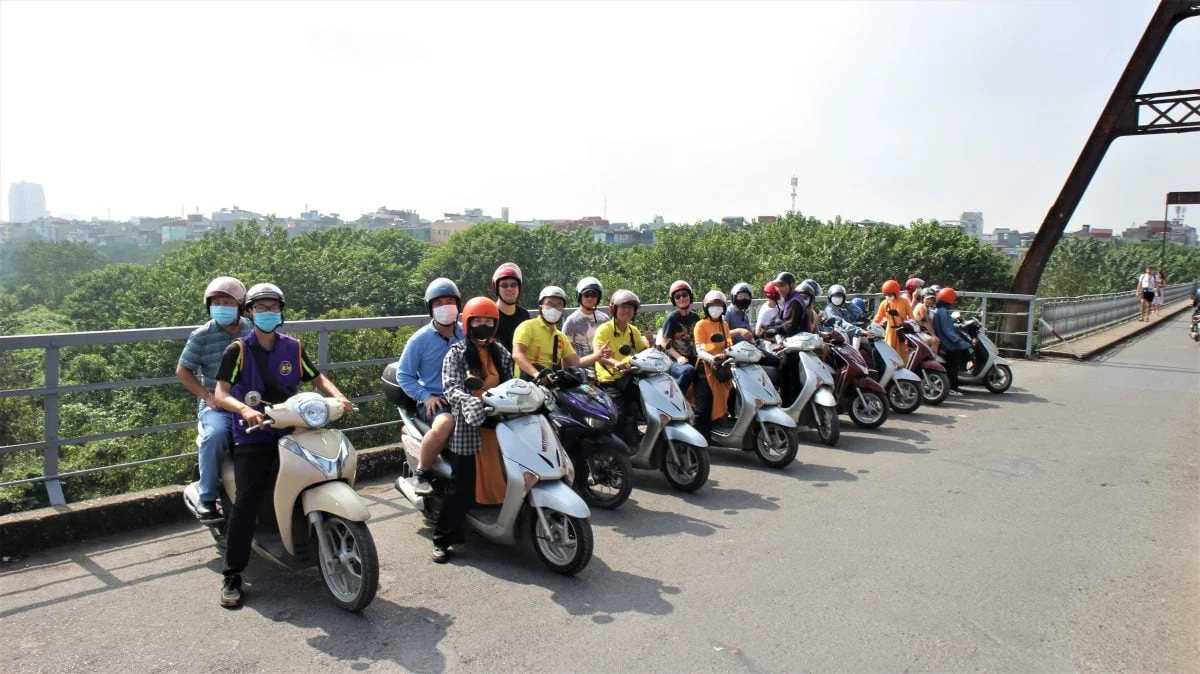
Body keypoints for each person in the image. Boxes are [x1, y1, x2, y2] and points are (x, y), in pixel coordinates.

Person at [212, 282, 353, 608]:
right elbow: (220, 393)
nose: (267, 313)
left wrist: (339, 397)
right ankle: (233, 574)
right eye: (260, 308)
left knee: (323, 469)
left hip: (293, 429)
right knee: (246, 500)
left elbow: (318, 378)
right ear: (250, 312)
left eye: (273, 307)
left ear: (282, 311)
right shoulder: (238, 350)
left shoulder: (293, 347)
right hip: (254, 435)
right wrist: (245, 409)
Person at [433, 297, 515, 563]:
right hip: (469, 423)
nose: (483, 325)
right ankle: (442, 539)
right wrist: (471, 400)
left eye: (489, 321)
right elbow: (451, 388)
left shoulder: (500, 352)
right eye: (478, 320)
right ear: (467, 323)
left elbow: (511, 382)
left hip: (498, 422)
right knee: (460, 485)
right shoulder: (455, 353)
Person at [176, 277, 252, 521]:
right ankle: (207, 498)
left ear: (240, 305)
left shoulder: (252, 329)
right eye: (216, 302)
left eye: (227, 302)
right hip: (218, 407)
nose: (221, 306)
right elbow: (183, 371)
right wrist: (206, 396)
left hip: (251, 401)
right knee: (215, 435)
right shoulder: (201, 336)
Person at [396, 278, 465, 495]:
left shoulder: (466, 333)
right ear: (430, 308)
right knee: (446, 423)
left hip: (465, 397)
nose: (445, 306)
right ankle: (421, 473)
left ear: (458, 305)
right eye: (438, 303)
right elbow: (403, 374)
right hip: (437, 401)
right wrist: (425, 396)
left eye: (450, 301)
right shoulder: (420, 339)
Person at [512, 286, 609, 381]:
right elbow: (517, 354)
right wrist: (537, 374)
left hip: (549, 385)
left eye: (559, 304)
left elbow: (577, 362)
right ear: (540, 306)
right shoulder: (527, 326)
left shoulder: (561, 337)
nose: (554, 308)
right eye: (549, 304)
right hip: (526, 384)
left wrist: (598, 355)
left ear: (563, 310)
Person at [593, 289, 648, 447]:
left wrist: (652, 347)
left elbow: (644, 351)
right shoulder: (604, 330)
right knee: (621, 410)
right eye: (623, 307)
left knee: (647, 401)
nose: (627, 311)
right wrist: (616, 363)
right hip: (609, 379)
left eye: (631, 307)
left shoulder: (633, 331)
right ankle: (619, 446)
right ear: (614, 309)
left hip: (629, 377)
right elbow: (599, 354)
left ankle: (641, 439)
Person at [694, 291, 734, 437]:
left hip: (722, 366)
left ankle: (722, 423)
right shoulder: (701, 325)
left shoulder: (724, 325)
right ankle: (698, 436)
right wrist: (712, 359)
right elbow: (699, 349)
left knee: (734, 393)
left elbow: (729, 343)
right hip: (705, 366)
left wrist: (730, 353)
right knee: (704, 404)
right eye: (712, 305)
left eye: (719, 305)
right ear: (706, 307)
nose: (716, 308)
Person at [657, 280, 700, 394]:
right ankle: (675, 398)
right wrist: (679, 357)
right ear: (674, 300)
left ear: (690, 296)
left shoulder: (695, 317)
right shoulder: (672, 319)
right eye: (677, 296)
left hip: (693, 356)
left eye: (684, 295)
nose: (681, 298)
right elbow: (664, 342)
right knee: (688, 371)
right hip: (674, 360)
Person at [931, 287, 969, 398]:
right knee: (954, 365)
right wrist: (960, 341)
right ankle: (953, 387)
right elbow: (948, 330)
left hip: (945, 342)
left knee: (954, 364)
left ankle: (954, 384)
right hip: (949, 344)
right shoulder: (943, 312)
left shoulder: (941, 310)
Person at [562, 276, 610, 358]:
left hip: (604, 364)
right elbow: (566, 353)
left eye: (594, 295)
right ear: (579, 296)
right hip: (582, 367)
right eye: (586, 294)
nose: (590, 298)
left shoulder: (604, 319)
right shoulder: (572, 321)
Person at [873, 279, 914, 362]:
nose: (888, 296)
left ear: (895, 292)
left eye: (889, 294)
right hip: (890, 332)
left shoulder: (904, 301)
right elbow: (878, 317)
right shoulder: (884, 303)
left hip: (901, 331)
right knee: (890, 353)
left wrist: (898, 314)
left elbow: (911, 317)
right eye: (886, 294)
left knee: (903, 355)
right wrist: (871, 325)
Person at [492, 262, 528, 352]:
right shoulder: (489, 314)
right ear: (496, 288)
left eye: (513, 285)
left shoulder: (524, 315)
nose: (509, 288)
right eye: (504, 285)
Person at [912, 287, 940, 352]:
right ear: (923, 298)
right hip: (918, 332)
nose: (930, 301)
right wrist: (933, 335)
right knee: (935, 341)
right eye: (927, 299)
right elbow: (927, 322)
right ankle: (932, 359)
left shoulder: (924, 307)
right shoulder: (922, 307)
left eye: (932, 298)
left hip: (920, 331)